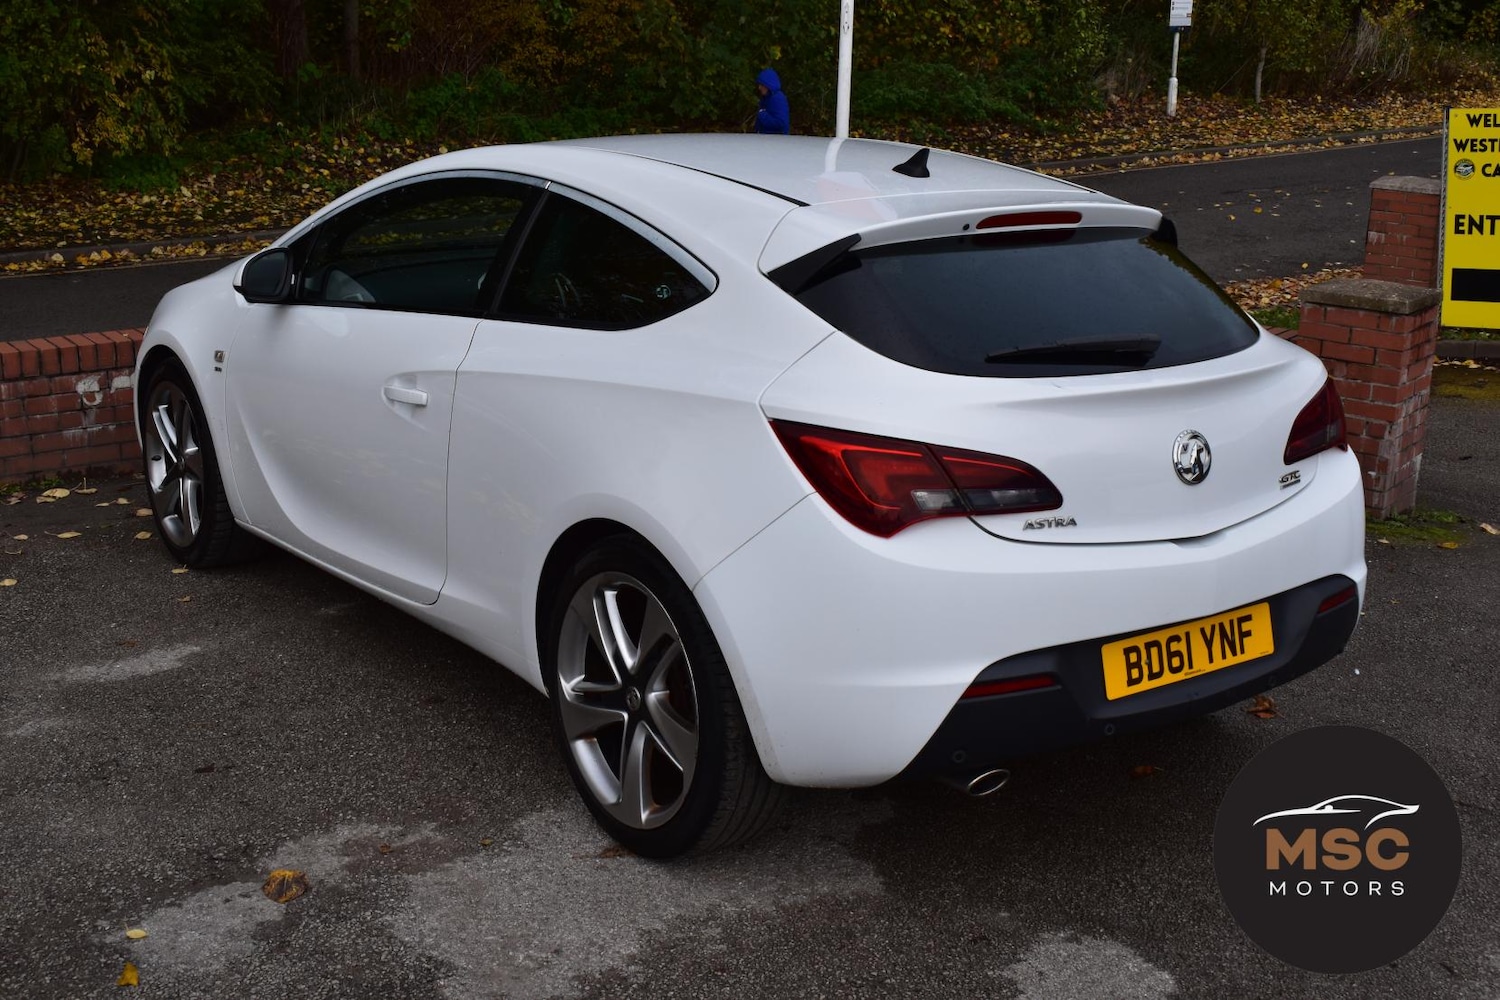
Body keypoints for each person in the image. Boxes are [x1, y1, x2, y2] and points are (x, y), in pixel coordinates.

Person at [754, 68, 790, 135]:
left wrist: (762, 114)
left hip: (775, 142)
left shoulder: (777, 99)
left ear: (768, 85)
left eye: (762, 85)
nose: (759, 88)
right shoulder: (767, 98)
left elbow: (781, 123)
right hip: (768, 140)